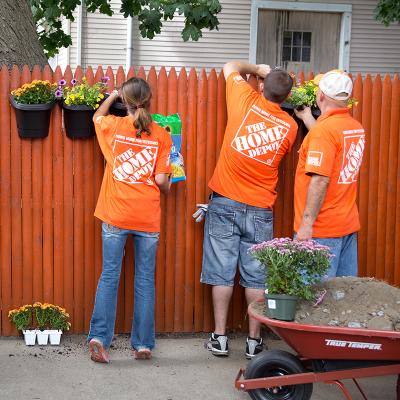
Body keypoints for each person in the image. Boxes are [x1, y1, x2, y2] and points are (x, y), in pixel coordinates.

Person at [197, 61, 298, 359]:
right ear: (287, 96)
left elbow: (229, 66)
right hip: (260, 208)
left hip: (225, 201)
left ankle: (220, 338)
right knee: (256, 277)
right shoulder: (291, 127)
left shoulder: (244, 98)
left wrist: (259, 70)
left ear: (263, 85)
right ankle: (254, 342)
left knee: (221, 273)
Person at [87, 77, 172, 363]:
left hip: (115, 213)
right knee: (145, 280)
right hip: (147, 217)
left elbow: (97, 116)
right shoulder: (162, 134)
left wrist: (111, 96)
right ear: (149, 101)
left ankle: (99, 338)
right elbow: (162, 181)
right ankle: (144, 344)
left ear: (125, 100)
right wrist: (171, 180)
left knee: (109, 276)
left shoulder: (113, 126)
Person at [294, 70, 366, 278]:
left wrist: (306, 226)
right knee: (342, 299)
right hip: (346, 224)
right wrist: (308, 119)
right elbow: (331, 147)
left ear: (321, 96)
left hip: (321, 231)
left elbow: (320, 179)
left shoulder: (323, 132)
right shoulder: (354, 128)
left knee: (315, 302)